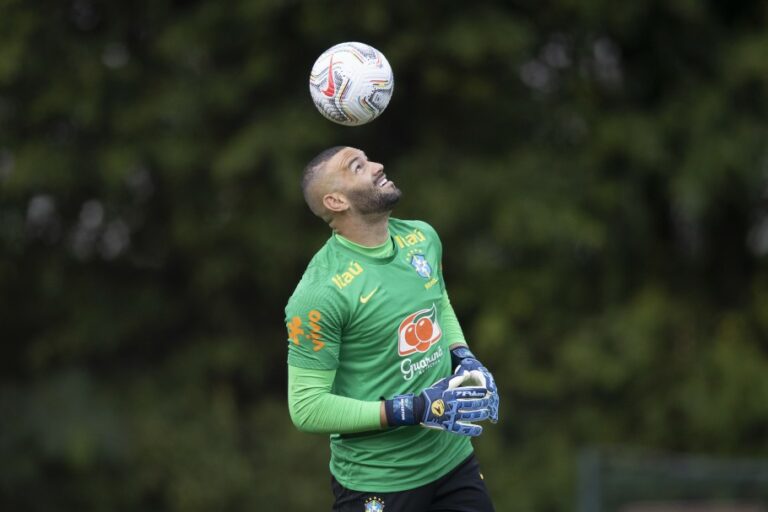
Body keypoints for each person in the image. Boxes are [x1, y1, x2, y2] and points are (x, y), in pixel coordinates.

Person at [285, 146, 500, 512]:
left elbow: (438, 300)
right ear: (336, 201)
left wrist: (463, 356)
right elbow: (306, 407)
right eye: (358, 166)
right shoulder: (319, 292)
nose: (377, 166)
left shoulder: (422, 237)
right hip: (378, 483)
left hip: (454, 461)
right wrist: (410, 409)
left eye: (368, 159)